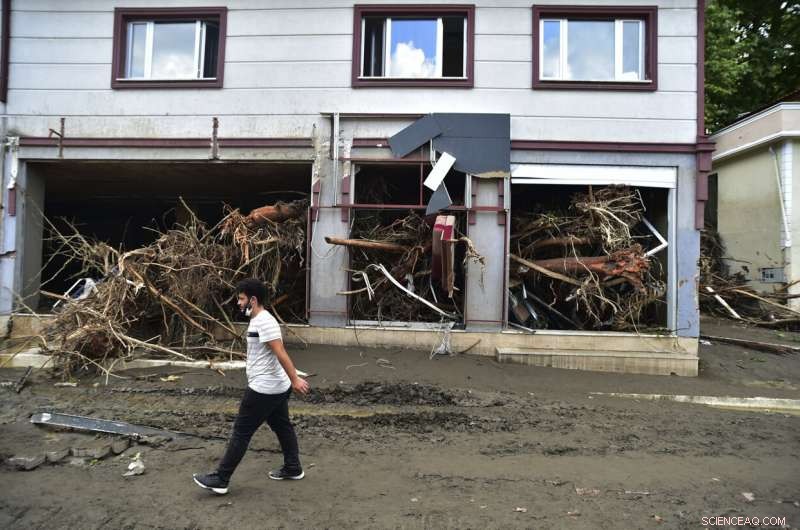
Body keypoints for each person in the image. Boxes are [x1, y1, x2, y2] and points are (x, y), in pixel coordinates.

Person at [193, 278, 310, 495]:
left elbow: (280, 352)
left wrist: (295, 379)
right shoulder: (257, 320)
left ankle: (221, 478)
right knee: (282, 426)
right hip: (275, 387)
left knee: (241, 432)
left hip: (264, 388)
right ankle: (293, 467)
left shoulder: (264, 321)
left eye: (241, 299)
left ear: (253, 300)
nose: (238, 303)